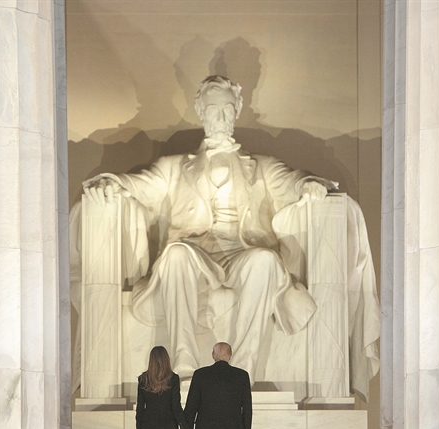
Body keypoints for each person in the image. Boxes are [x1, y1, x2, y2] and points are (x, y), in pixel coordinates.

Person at [82, 75, 336, 381]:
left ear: (238, 109)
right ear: (201, 111)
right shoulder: (173, 166)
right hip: (195, 254)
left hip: (242, 252)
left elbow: (292, 180)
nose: (221, 117)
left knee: (266, 260)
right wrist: (113, 182)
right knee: (174, 254)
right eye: (214, 110)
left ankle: (242, 371)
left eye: (228, 109)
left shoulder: (262, 165)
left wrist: (309, 185)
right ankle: (185, 363)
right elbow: (140, 185)